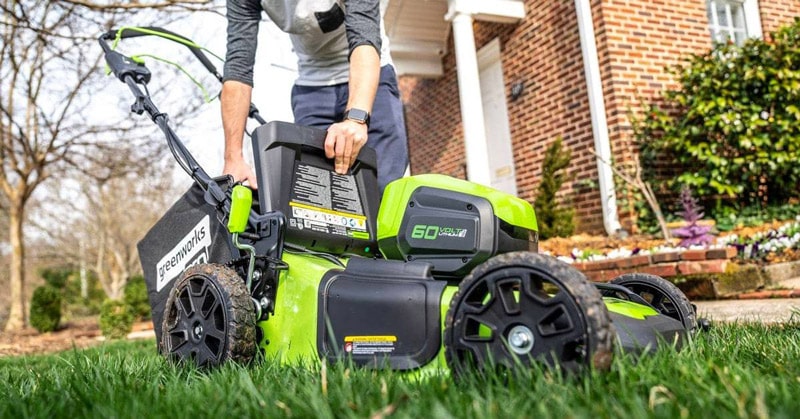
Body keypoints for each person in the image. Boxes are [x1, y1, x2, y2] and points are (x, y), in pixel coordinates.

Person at [221, 0, 408, 195]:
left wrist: (356, 118)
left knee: (382, 190)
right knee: (317, 198)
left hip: (369, 74)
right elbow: (238, 67)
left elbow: (364, 36)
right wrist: (233, 157)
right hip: (312, 89)